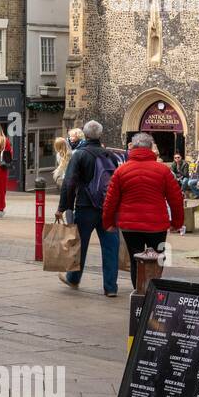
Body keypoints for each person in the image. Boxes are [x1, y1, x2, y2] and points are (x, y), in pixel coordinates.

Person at [102, 132, 185, 289]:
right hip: (157, 224)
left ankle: (139, 292)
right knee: (159, 258)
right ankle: (154, 292)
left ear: (133, 147)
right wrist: (177, 223)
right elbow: (176, 199)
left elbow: (110, 201)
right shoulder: (163, 171)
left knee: (135, 260)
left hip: (130, 226)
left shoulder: (121, 171)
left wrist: (109, 222)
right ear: (151, 148)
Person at [58, 120, 121, 297]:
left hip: (85, 206)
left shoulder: (79, 155)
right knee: (110, 248)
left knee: (80, 245)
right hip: (107, 207)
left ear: (85, 135)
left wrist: (64, 207)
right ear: (100, 135)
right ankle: (110, 287)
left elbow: (69, 183)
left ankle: (73, 278)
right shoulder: (111, 156)